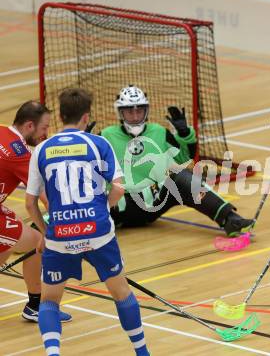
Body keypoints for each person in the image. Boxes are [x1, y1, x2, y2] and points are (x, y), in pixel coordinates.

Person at [25, 88, 150, 356]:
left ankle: (53, 353)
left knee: (49, 302)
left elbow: (30, 203)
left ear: (60, 116)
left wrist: (47, 233)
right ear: (86, 117)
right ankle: (142, 352)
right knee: (121, 293)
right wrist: (102, 209)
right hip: (98, 232)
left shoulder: (42, 149)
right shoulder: (98, 143)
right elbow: (118, 189)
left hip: (60, 234)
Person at [100, 85, 253, 237]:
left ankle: (230, 219)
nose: (134, 117)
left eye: (139, 111)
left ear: (146, 111)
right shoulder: (106, 135)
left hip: (152, 202)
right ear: (120, 113)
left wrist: (185, 134)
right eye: (129, 112)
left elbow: (185, 159)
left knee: (181, 176)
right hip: (119, 207)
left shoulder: (159, 132)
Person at [0, 100, 72, 323]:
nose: (46, 133)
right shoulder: (19, 153)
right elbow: (44, 197)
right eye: (44, 128)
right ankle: (35, 305)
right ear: (29, 126)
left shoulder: (1, 130)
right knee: (36, 241)